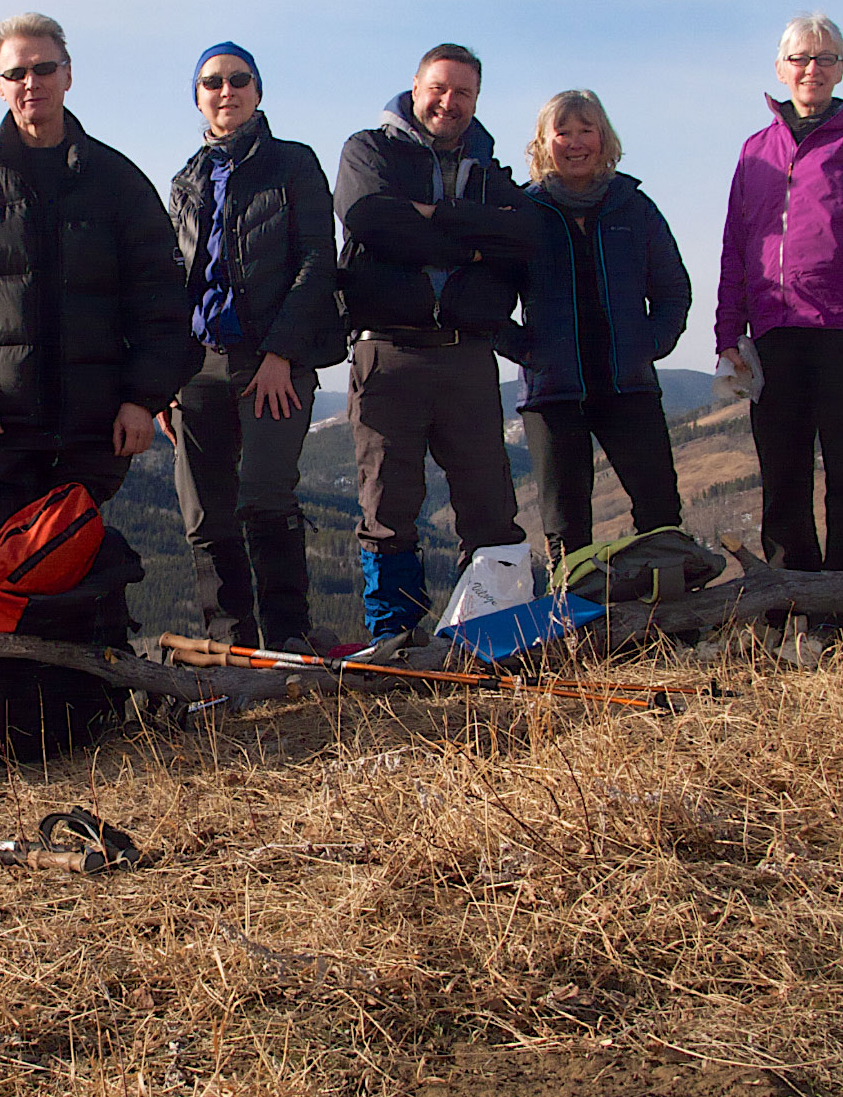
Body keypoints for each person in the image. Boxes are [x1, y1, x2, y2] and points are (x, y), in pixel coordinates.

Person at [0, 12, 198, 540]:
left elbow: (160, 301)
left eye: (44, 68)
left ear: (68, 75)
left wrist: (143, 398)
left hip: (92, 429)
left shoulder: (118, 181)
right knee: (4, 569)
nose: (31, 82)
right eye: (16, 73)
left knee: (78, 566)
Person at [335, 43, 539, 645]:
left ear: (477, 100)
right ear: (416, 87)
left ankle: (493, 634)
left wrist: (429, 216)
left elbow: (524, 234)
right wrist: (472, 244)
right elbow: (369, 218)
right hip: (386, 353)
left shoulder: (491, 170)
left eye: (464, 93)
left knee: (489, 502)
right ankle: (394, 640)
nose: (449, 102)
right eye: (439, 89)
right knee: (387, 507)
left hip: (466, 355)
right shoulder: (368, 150)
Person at [158, 42, 343, 653]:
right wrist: (164, 380)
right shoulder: (186, 181)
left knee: (265, 493)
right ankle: (230, 646)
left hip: (274, 358)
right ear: (197, 97)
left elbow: (317, 261)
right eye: (212, 82)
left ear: (259, 91)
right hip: (198, 365)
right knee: (203, 511)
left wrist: (281, 354)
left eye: (239, 80)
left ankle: (290, 638)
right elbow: (171, 281)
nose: (226, 91)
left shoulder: (292, 163)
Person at [717, 13, 843, 592]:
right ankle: (787, 603)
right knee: (782, 477)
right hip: (775, 332)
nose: (812, 69)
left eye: (825, 58)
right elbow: (736, 245)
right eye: (800, 58)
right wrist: (728, 332)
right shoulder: (756, 150)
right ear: (781, 68)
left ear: (840, 70)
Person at [501, 91, 692, 563]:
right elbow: (486, 299)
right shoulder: (523, 212)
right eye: (563, 132)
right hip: (553, 394)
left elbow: (672, 289)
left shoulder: (635, 207)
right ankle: (575, 614)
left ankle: (667, 606)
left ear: (604, 138)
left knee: (661, 516)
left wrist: (649, 344)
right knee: (566, 532)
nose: (575, 142)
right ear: (544, 143)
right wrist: (528, 352)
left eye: (586, 130)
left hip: (629, 386)